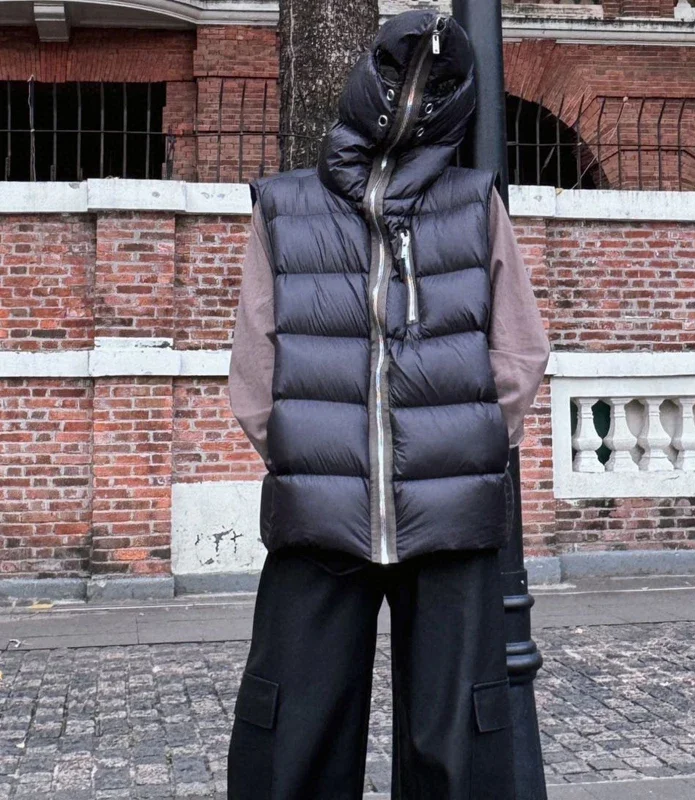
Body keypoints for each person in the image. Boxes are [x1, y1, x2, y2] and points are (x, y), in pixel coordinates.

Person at [226, 8, 550, 799]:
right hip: (320, 508)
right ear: (363, 82)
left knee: (456, 742)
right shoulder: (285, 207)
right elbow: (252, 368)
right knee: (293, 731)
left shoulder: (475, 205)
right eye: (399, 76)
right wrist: (311, 450)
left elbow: (520, 350)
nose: (410, 98)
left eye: (436, 85)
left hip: (447, 515)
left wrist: (463, 442)